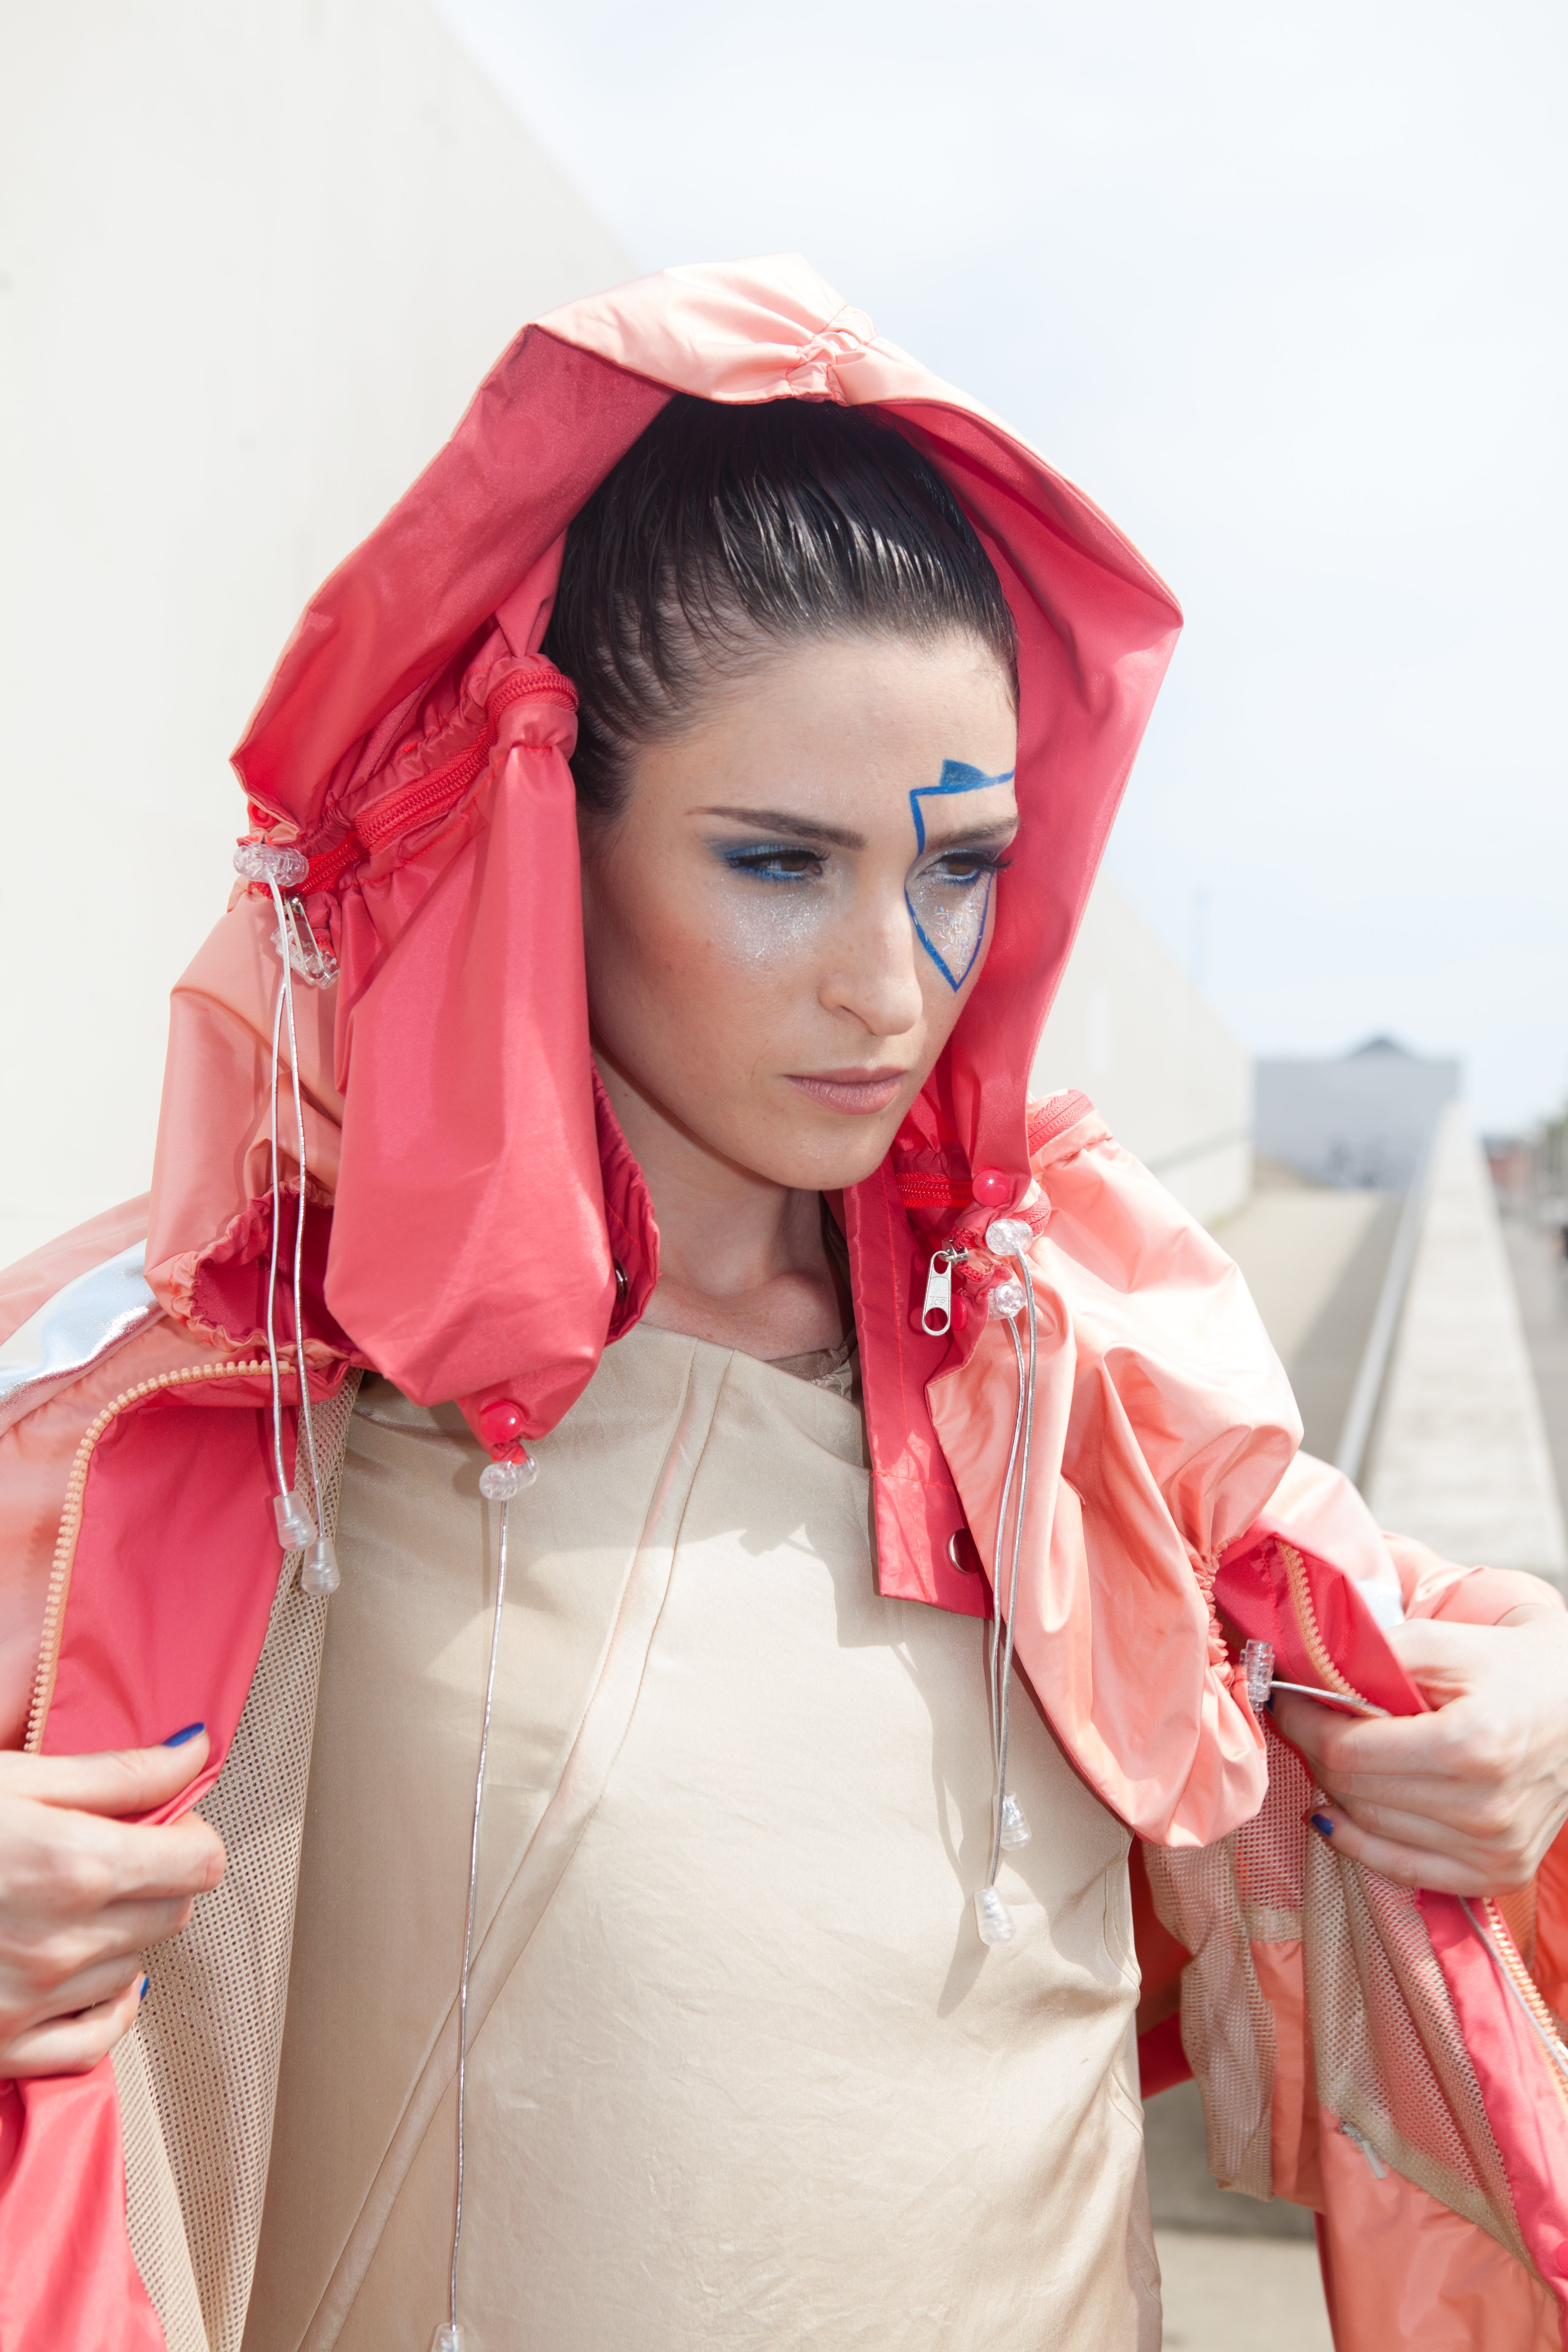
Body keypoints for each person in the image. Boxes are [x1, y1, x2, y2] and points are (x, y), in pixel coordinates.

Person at [2, 257, 1568, 2352]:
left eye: (958, 866)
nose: (892, 986)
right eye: (776, 863)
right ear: (542, 834)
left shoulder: (1079, 1361)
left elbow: (1428, 1652)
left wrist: (1535, 1717)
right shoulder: (216, 1380)